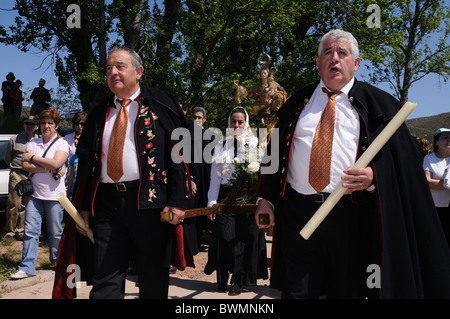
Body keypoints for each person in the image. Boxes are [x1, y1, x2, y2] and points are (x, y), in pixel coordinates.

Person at [254, 29, 450, 298]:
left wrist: (374, 177)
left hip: (352, 218)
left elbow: (405, 165)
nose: (334, 59)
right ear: (318, 62)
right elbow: (273, 156)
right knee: (297, 293)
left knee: (347, 292)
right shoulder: (297, 104)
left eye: (342, 53)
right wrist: (265, 198)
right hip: (298, 215)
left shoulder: (382, 106)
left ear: (356, 63)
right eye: (327, 53)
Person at [52, 46, 190, 299]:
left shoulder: (161, 104)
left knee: (152, 277)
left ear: (138, 72)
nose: (112, 72)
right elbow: (86, 165)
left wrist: (177, 202)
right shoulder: (98, 113)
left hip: (150, 203)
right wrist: (83, 207)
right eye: (108, 68)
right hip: (107, 205)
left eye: (119, 66)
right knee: (105, 278)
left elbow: (179, 158)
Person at [204, 107, 268, 296]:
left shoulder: (255, 144)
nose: (237, 125)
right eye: (233, 121)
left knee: (241, 241)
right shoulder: (221, 144)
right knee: (224, 237)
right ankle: (222, 276)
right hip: (225, 196)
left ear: (246, 123)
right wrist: (212, 202)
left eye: (240, 122)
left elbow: (261, 174)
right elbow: (215, 175)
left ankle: (238, 281)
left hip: (247, 197)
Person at [10, 108, 69, 279]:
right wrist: (51, 167)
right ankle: (27, 267)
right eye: (43, 123)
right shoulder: (32, 144)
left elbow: (57, 161)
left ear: (56, 125)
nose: (46, 126)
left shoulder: (62, 143)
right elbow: (25, 166)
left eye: (50, 123)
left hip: (55, 196)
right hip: (34, 194)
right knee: (30, 231)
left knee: (55, 231)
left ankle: (56, 261)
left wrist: (34, 158)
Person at [2, 115, 39, 241]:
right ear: (24, 125)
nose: (29, 126)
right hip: (17, 173)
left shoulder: (39, 140)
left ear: (36, 127)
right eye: (27, 123)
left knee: (25, 204)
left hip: (32, 175)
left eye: (32, 124)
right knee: (13, 203)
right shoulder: (15, 139)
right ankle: (9, 232)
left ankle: (21, 230)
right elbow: (8, 158)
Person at [423, 128, 450, 247]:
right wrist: (446, 183)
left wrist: (438, 183)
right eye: (445, 137)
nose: (449, 140)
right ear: (436, 142)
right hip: (436, 207)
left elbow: (433, 183)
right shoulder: (429, 159)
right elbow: (428, 183)